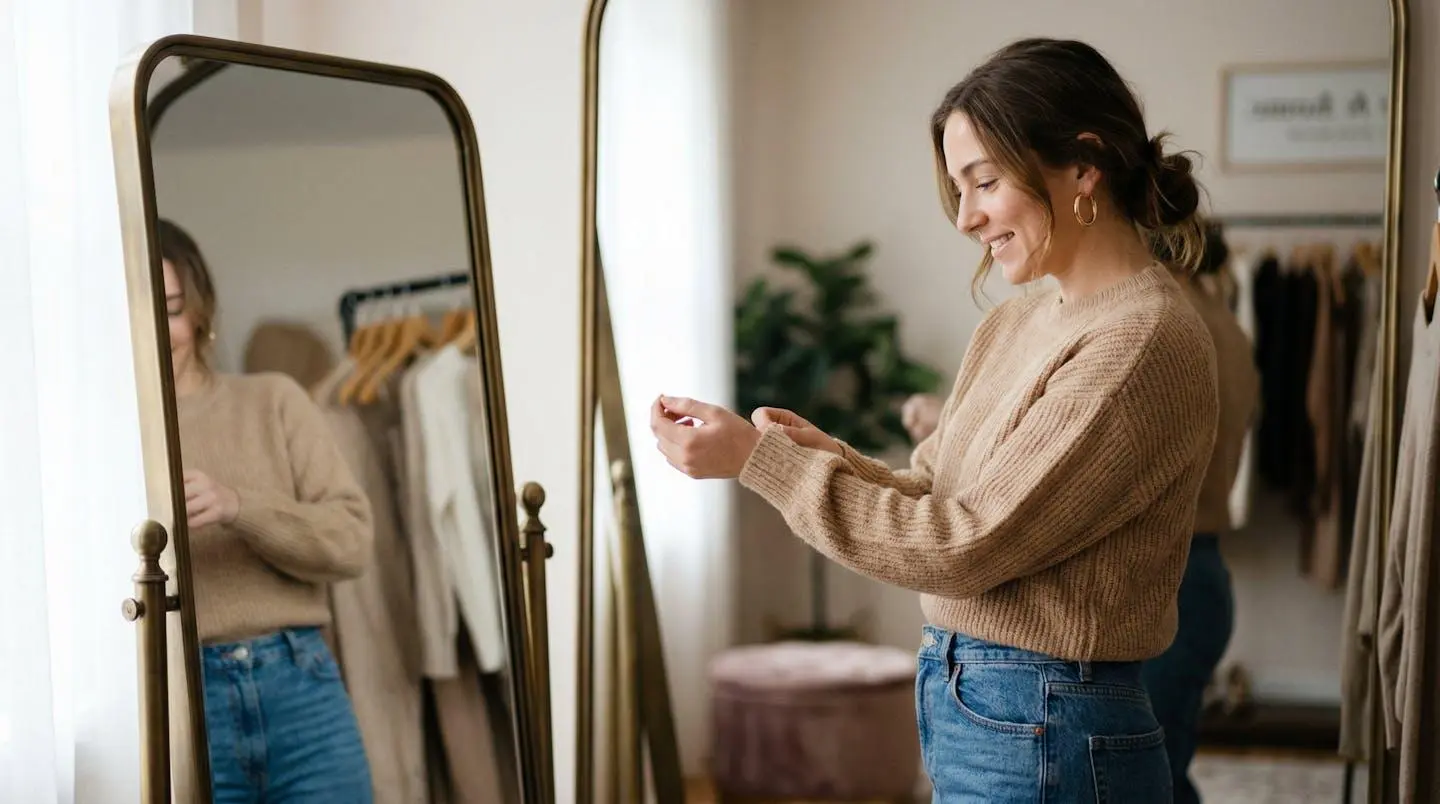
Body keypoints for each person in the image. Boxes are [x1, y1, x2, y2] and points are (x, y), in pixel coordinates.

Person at [650, 38, 1219, 802]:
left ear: (1085, 164)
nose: (967, 217)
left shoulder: (1139, 342)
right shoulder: (1015, 323)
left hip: (1049, 724)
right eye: (959, 188)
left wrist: (763, 463)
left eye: (984, 181)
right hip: (989, 711)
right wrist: (824, 456)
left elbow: (964, 547)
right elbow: (938, 493)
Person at [160, 217, 377, 802]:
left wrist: (239, 507)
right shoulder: (111, 436)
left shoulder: (273, 400)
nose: (159, 329)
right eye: (141, 310)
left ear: (201, 311)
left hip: (300, 687)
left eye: (173, 308)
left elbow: (352, 542)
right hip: (183, 700)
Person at [1139, 224, 1259, 804]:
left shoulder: (1167, 322)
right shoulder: (1228, 328)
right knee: (1165, 768)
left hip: (1173, 581)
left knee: (1150, 780)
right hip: (1203, 575)